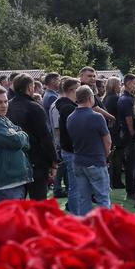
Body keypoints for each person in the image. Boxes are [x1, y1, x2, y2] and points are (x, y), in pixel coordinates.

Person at [7, 73, 57, 200]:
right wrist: (53, 161)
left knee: (17, 201)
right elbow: (45, 136)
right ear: (30, 88)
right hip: (35, 160)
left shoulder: (7, 106)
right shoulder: (34, 107)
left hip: (14, 159)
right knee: (38, 201)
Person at [66, 86, 112, 215]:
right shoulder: (97, 117)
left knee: (83, 198)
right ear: (90, 98)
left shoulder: (70, 117)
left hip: (78, 161)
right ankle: (104, 227)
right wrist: (105, 155)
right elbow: (107, 141)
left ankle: (84, 228)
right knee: (103, 197)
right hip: (95, 161)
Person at [56, 78, 80, 212]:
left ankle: (74, 209)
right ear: (72, 90)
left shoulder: (66, 106)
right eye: (79, 88)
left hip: (69, 149)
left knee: (74, 185)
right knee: (75, 186)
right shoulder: (68, 108)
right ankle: (76, 214)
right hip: (72, 150)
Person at [117, 74, 135, 199]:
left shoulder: (129, 97)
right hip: (130, 137)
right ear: (128, 83)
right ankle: (131, 191)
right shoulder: (125, 100)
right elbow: (128, 119)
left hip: (131, 136)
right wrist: (133, 134)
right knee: (132, 165)